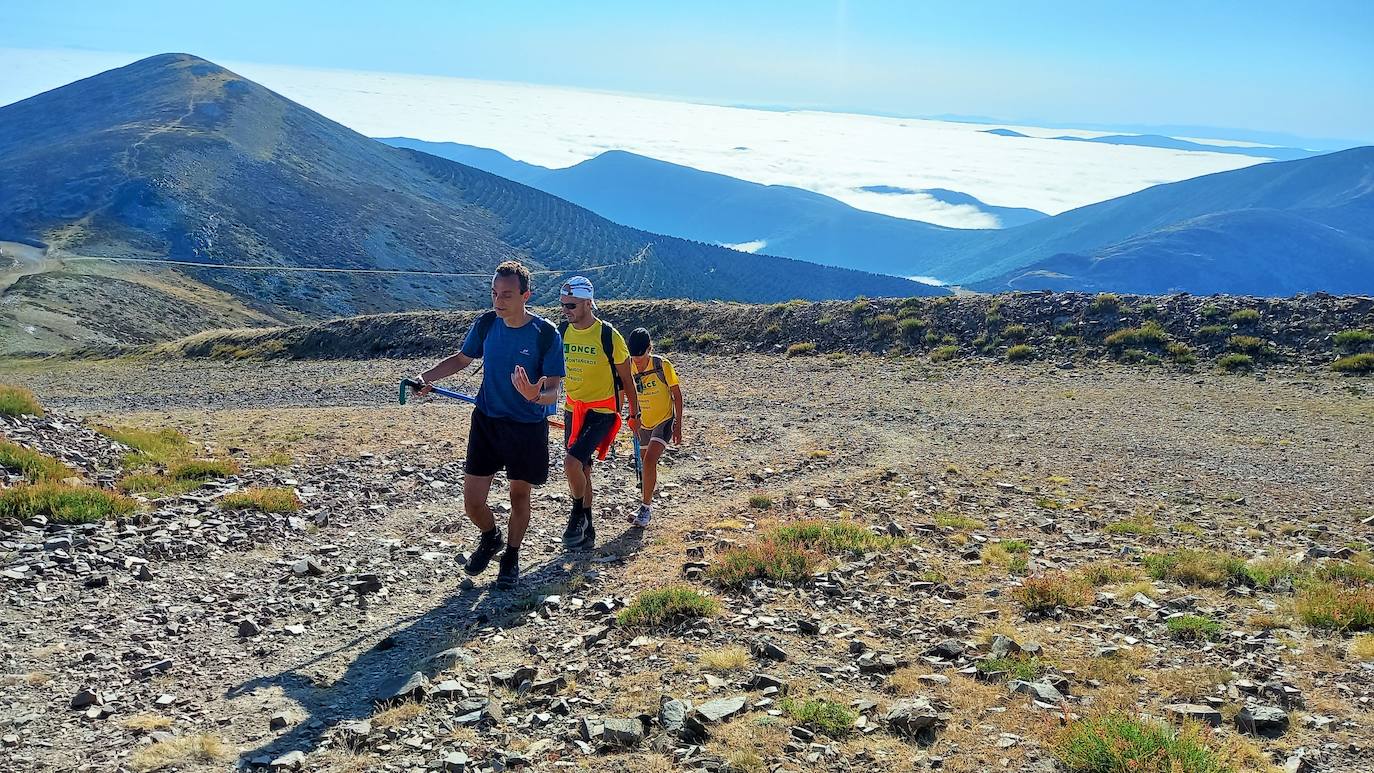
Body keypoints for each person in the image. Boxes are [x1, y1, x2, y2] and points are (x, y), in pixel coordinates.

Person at [413, 261, 563, 590]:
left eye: (506, 295)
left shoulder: (547, 334)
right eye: (494, 294)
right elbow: (461, 359)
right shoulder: (485, 324)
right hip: (487, 421)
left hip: (526, 426)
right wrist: (426, 378)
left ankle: (511, 555)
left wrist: (535, 395)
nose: (498, 301)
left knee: (519, 496)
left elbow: (553, 388)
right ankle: (490, 536)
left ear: (526, 295)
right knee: (472, 502)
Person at [557, 276, 641, 551]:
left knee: (571, 463)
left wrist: (635, 414)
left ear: (588, 303)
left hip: (603, 412)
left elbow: (627, 380)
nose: (566, 310)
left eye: (571, 305)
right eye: (563, 305)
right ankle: (589, 529)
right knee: (583, 470)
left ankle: (576, 515)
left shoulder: (608, 335)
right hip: (573, 409)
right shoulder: (562, 332)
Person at [626, 327, 683, 528]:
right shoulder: (629, 366)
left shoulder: (662, 365)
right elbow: (627, 392)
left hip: (664, 421)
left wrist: (678, 425)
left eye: (640, 357)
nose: (637, 362)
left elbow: (677, 394)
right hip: (644, 422)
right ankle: (645, 505)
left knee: (649, 461)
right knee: (645, 464)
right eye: (633, 357)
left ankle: (645, 509)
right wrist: (631, 416)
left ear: (649, 349)